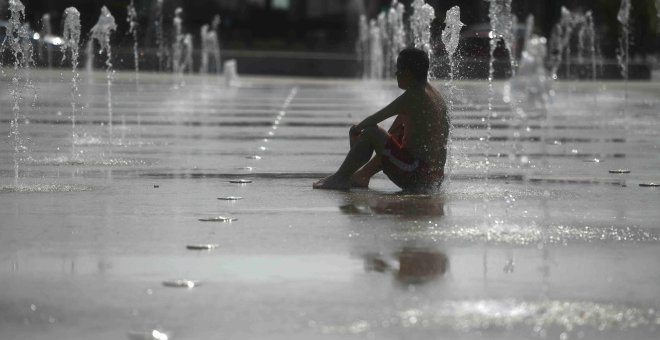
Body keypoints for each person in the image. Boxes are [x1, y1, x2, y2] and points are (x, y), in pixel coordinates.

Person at [313, 48, 449, 192]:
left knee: (372, 132)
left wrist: (356, 130)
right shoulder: (435, 95)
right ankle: (362, 176)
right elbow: (387, 144)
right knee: (396, 131)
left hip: (416, 176)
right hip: (432, 179)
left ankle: (340, 178)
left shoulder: (414, 95)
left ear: (407, 72)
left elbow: (375, 119)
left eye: (398, 69)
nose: (396, 74)